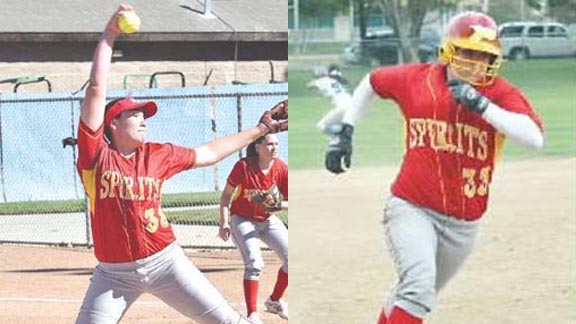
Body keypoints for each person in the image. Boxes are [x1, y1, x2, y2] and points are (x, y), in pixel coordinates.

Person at [324, 11, 543, 324]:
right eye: (467, 52)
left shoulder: (497, 93)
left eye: (483, 55)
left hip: (465, 224)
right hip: (413, 207)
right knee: (417, 290)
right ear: (449, 51)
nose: (474, 62)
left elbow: (533, 138)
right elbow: (371, 83)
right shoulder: (418, 79)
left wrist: (482, 105)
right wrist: (346, 131)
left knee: (410, 294)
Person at [75, 5, 287, 324]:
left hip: (166, 262)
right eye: (134, 114)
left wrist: (260, 130)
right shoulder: (95, 157)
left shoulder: (159, 154)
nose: (143, 118)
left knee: (230, 323)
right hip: (113, 276)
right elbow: (95, 88)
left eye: (144, 114)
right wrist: (109, 35)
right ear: (112, 124)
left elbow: (209, 153)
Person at [218, 134, 289, 324]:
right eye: (269, 144)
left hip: (267, 219)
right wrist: (224, 222)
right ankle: (252, 315)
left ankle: (274, 301)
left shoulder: (281, 167)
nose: (274, 148)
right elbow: (226, 197)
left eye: (277, 144)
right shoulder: (243, 166)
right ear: (258, 147)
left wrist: (278, 205)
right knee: (254, 263)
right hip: (242, 219)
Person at [307, 64, 352, 134]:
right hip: (352, 106)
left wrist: (317, 77)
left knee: (321, 125)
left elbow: (309, 86)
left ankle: (341, 138)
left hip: (342, 107)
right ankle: (342, 136)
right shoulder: (339, 81)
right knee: (335, 125)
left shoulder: (324, 80)